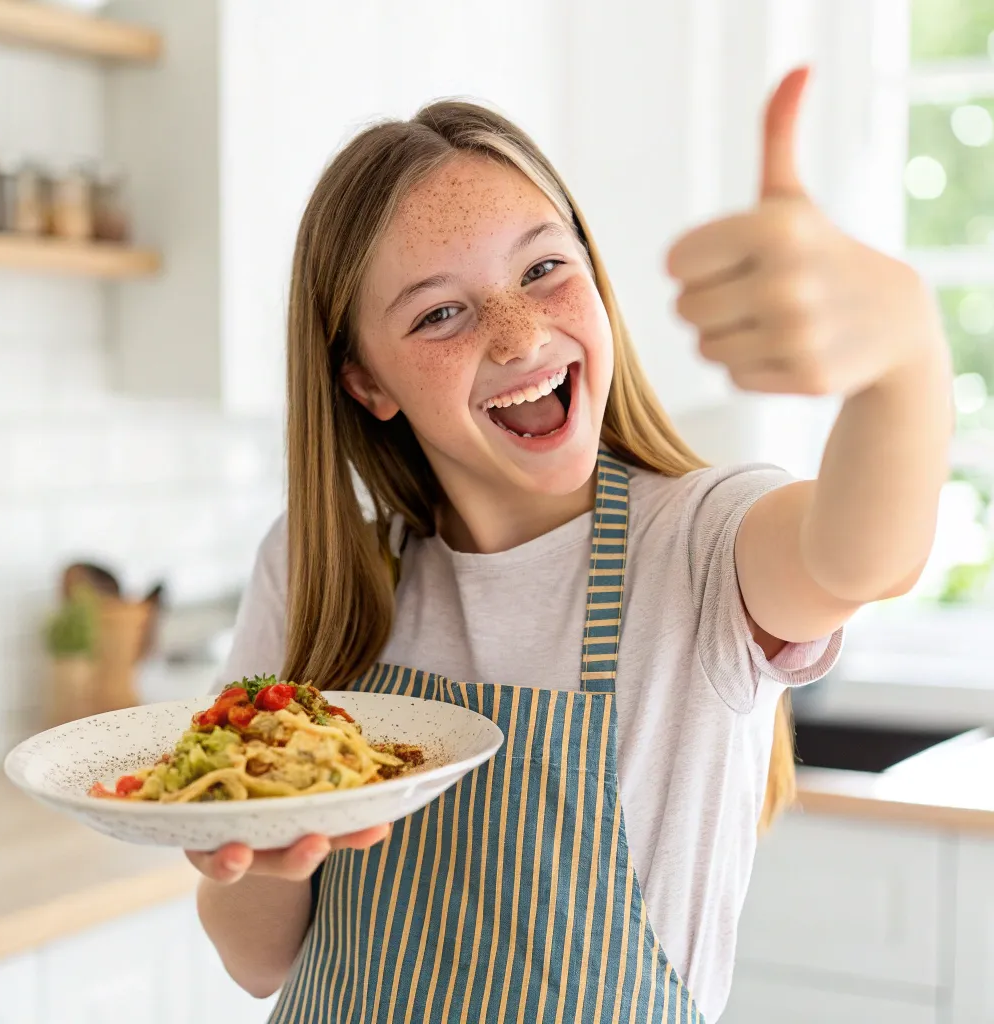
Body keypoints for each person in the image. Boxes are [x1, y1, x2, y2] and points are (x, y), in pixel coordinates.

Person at [188, 68, 951, 1023]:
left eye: (544, 269)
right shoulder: (316, 568)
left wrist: (903, 357)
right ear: (365, 382)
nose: (518, 335)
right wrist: (258, 855)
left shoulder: (701, 545)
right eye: (438, 313)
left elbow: (862, 558)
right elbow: (257, 962)